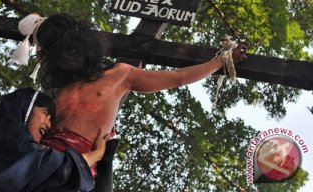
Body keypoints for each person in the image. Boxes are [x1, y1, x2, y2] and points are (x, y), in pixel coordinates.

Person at [27, 13, 247, 183]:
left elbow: (178, 77)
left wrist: (221, 61)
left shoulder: (120, 75)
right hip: (39, 164)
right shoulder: (62, 89)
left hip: (74, 170)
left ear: (77, 46)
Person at [0, 87, 107, 192]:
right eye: (46, 113)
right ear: (26, 107)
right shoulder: (7, 140)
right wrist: (98, 154)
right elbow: (56, 168)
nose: (48, 124)